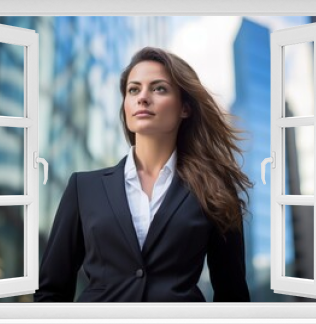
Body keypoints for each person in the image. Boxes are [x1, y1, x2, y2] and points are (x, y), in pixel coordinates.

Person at [33, 46, 252, 302]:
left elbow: (232, 296)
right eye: (133, 89)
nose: (143, 97)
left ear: (185, 108)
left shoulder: (214, 191)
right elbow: (51, 292)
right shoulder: (83, 187)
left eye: (159, 88)